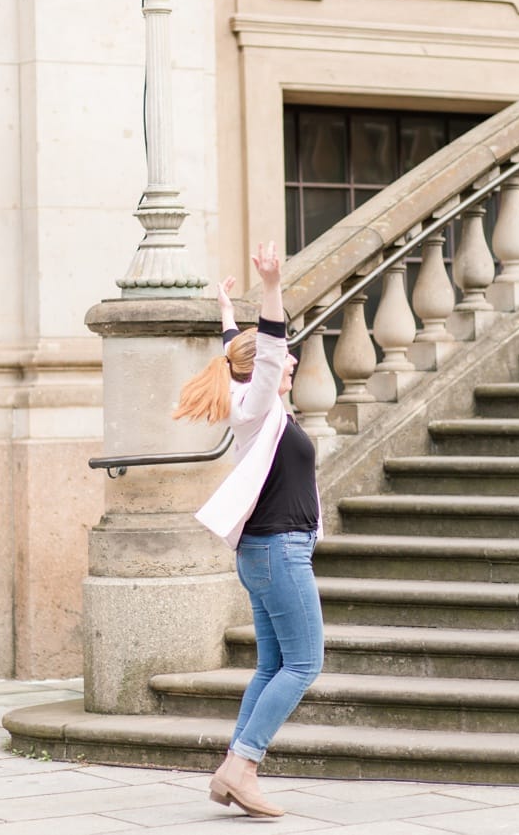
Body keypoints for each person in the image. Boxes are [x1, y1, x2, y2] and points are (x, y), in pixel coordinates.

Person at [174, 240, 322, 819]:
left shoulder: (249, 402)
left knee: (270, 665)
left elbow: (237, 353)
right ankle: (243, 766)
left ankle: (232, 769)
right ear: (257, 366)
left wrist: (224, 313)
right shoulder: (259, 404)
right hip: (279, 551)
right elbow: (264, 350)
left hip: (265, 551)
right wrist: (270, 286)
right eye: (281, 358)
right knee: (304, 664)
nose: (288, 362)